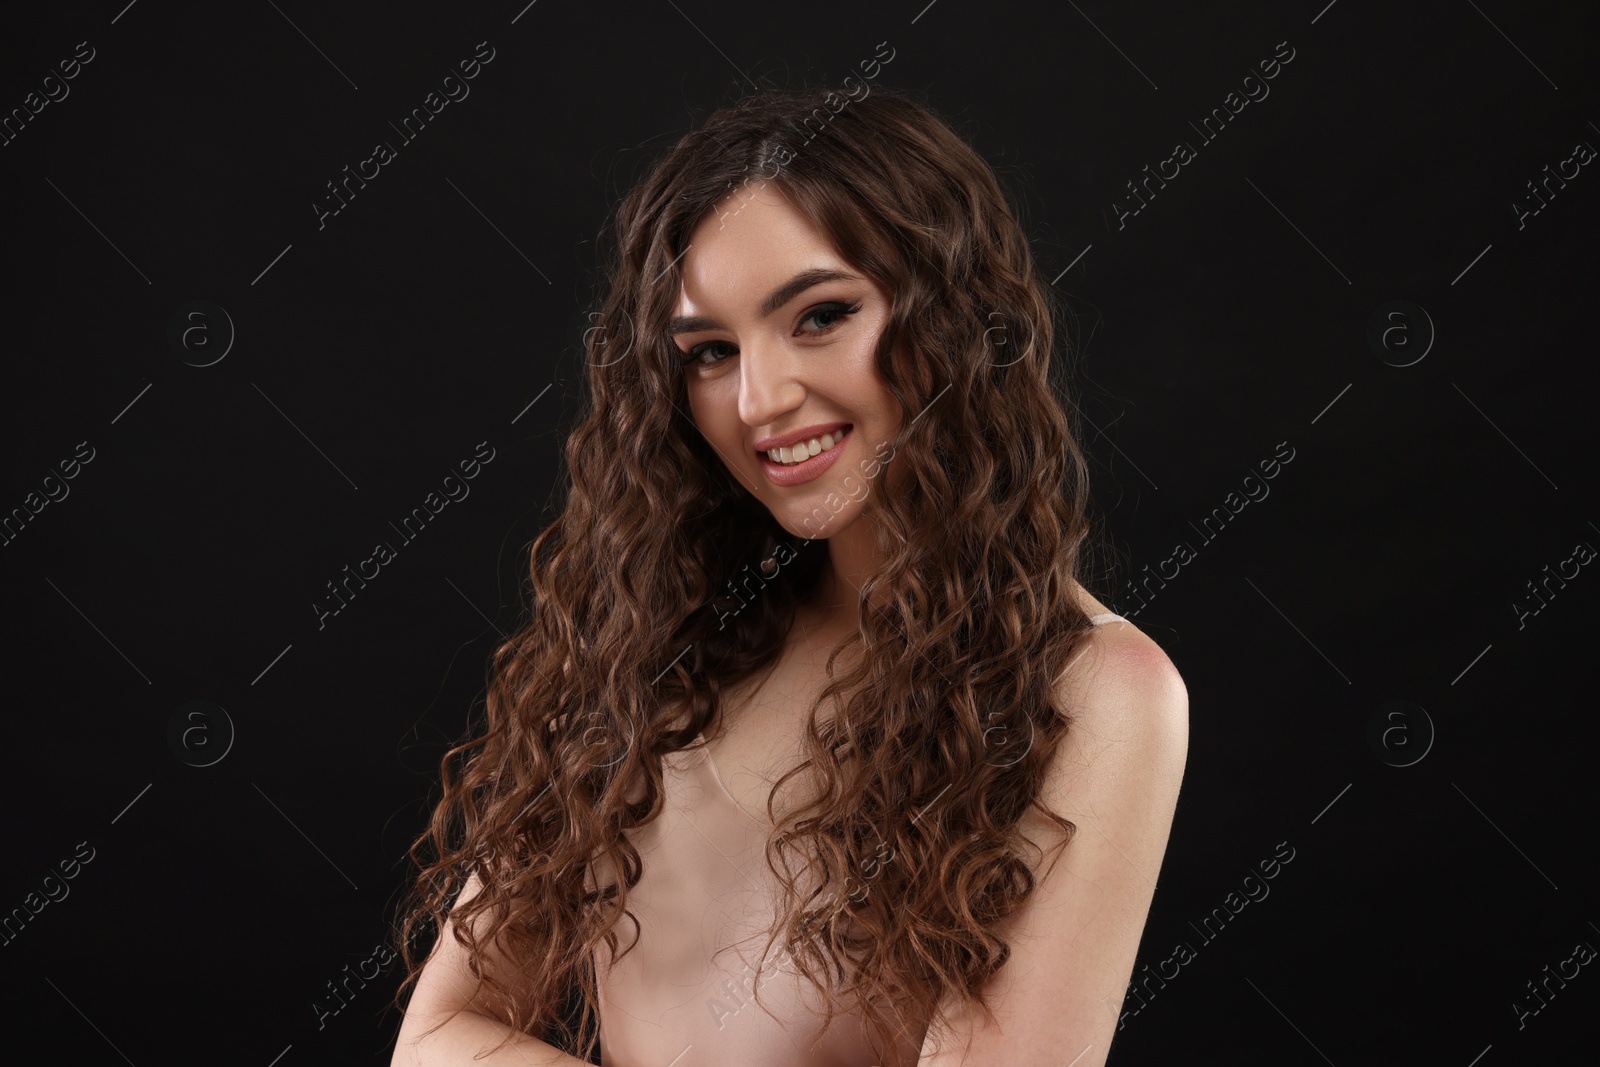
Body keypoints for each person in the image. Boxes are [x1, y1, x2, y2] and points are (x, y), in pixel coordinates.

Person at [389, 83, 1188, 1067]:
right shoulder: (653, 643)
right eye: (711, 352)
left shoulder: (1095, 692)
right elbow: (436, 1035)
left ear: (953, 313)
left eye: (819, 315)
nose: (760, 399)